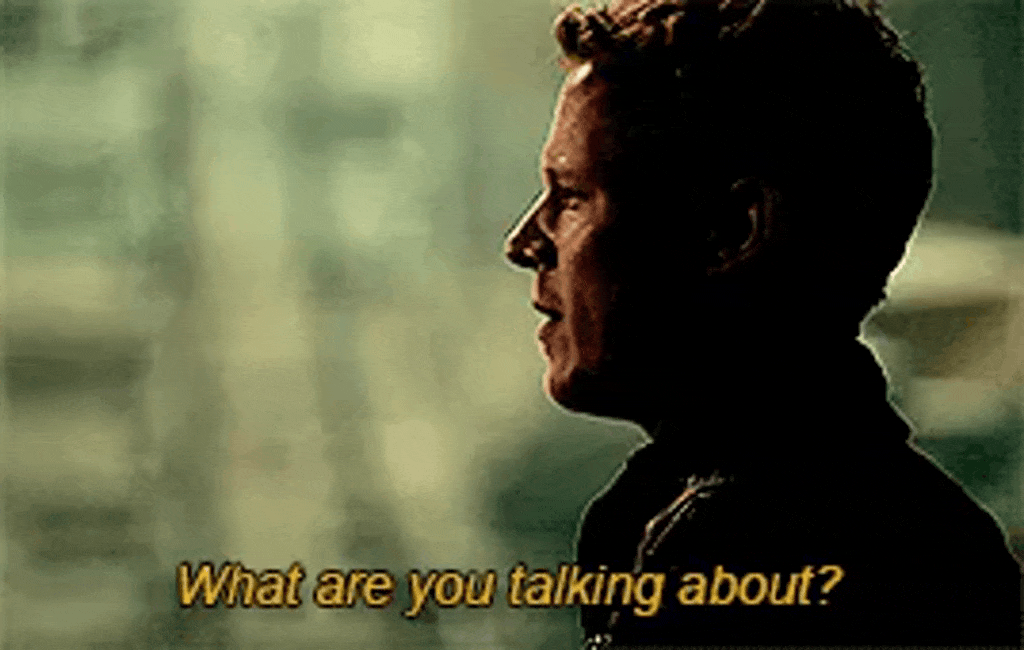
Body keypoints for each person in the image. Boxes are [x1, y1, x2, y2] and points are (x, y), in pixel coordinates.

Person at [503, 0, 1023, 647]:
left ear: (733, 231)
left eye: (572, 197)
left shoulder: (783, 560)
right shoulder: (907, 535)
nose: (524, 243)